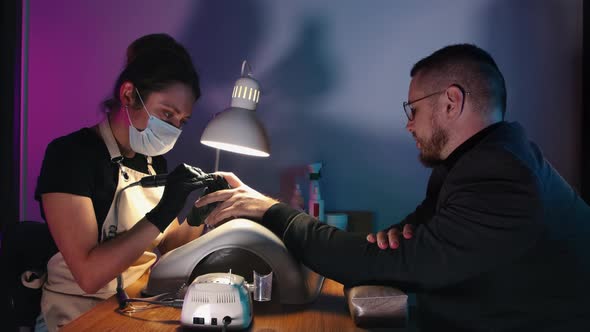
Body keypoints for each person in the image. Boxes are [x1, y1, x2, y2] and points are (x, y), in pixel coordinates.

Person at [196, 44, 590, 331]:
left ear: (451, 102)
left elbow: (387, 263)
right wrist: (398, 247)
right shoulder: (475, 163)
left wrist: (269, 209)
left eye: (413, 109)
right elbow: (389, 246)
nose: (409, 125)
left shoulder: (500, 176)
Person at [34, 33, 209, 331]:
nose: (174, 130)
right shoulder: (70, 156)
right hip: (76, 315)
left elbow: (166, 245)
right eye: (167, 114)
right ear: (128, 95)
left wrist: (199, 212)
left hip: (137, 303)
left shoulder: (154, 163)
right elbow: (88, 276)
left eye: (182, 121)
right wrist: (164, 210)